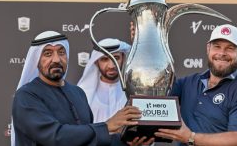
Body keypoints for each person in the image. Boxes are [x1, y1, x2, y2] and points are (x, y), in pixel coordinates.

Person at [11, 31, 147, 146]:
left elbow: (87, 140)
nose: (56, 59)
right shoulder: (26, 96)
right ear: (36, 59)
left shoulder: (78, 93)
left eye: (61, 52)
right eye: (48, 54)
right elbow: (55, 136)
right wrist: (106, 126)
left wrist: (125, 142)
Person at [154, 24, 237, 146]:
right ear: (208, 48)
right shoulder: (188, 83)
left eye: (230, 48)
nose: (222, 53)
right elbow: (154, 96)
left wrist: (190, 137)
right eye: (217, 47)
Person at [77, 38, 130, 123]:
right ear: (96, 62)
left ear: (123, 59)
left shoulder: (132, 91)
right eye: (104, 59)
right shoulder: (82, 93)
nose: (111, 66)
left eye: (116, 58)